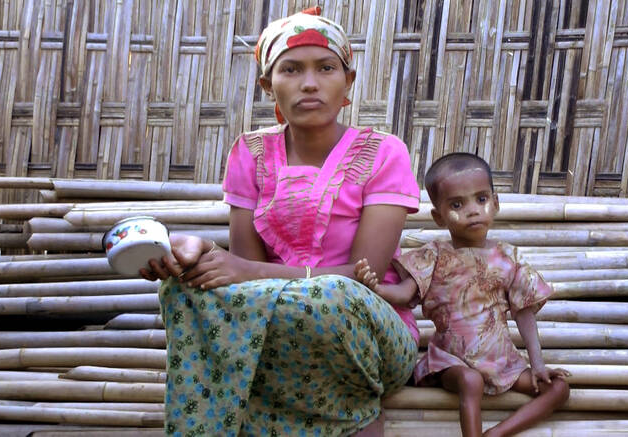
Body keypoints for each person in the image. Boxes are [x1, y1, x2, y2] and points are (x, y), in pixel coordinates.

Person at [141, 7, 420, 436]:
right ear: (268, 85)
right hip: (277, 328)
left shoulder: (383, 153)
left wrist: (249, 270)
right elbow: (242, 285)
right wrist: (196, 254)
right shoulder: (248, 152)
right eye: (291, 69)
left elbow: (366, 281)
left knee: (331, 296)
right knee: (184, 288)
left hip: (370, 334)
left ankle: (352, 410)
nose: (309, 83)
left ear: (348, 82)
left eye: (326, 68)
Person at [354, 153, 571, 437]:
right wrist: (377, 288)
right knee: (471, 381)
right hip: (452, 360)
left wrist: (538, 364)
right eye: (457, 204)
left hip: (502, 360)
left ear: (496, 203)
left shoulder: (508, 258)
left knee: (559, 389)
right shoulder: (433, 256)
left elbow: (524, 312)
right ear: (439, 217)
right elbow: (405, 293)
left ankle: (495, 434)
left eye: (481, 199)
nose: (472, 210)